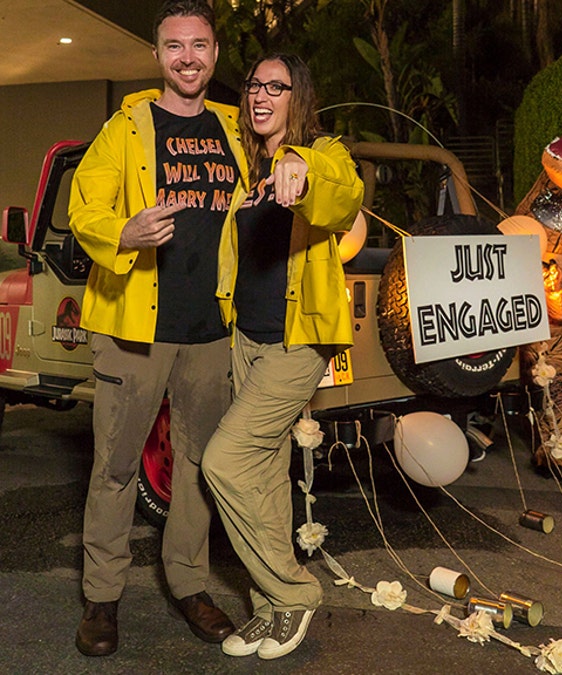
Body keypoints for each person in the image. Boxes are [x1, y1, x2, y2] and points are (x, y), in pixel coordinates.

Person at [68, 0, 244, 656]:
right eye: (175, 46)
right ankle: (102, 596)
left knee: (197, 466)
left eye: (199, 45)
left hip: (214, 329)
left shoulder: (237, 127)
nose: (187, 58)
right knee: (115, 467)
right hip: (135, 329)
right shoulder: (126, 127)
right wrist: (124, 231)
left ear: (215, 53)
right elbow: (84, 205)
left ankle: (190, 584)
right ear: (157, 55)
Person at [200, 53, 363, 661]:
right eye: (254, 85)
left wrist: (301, 167)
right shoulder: (251, 172)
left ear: (300, 96)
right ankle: (269, 609)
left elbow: (343, 192)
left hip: (298, 342)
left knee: (223, 461)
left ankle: (294, 591)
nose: (261, 95)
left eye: (277, 86)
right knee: (264, 475)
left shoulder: (319, 153)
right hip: (248, 338)